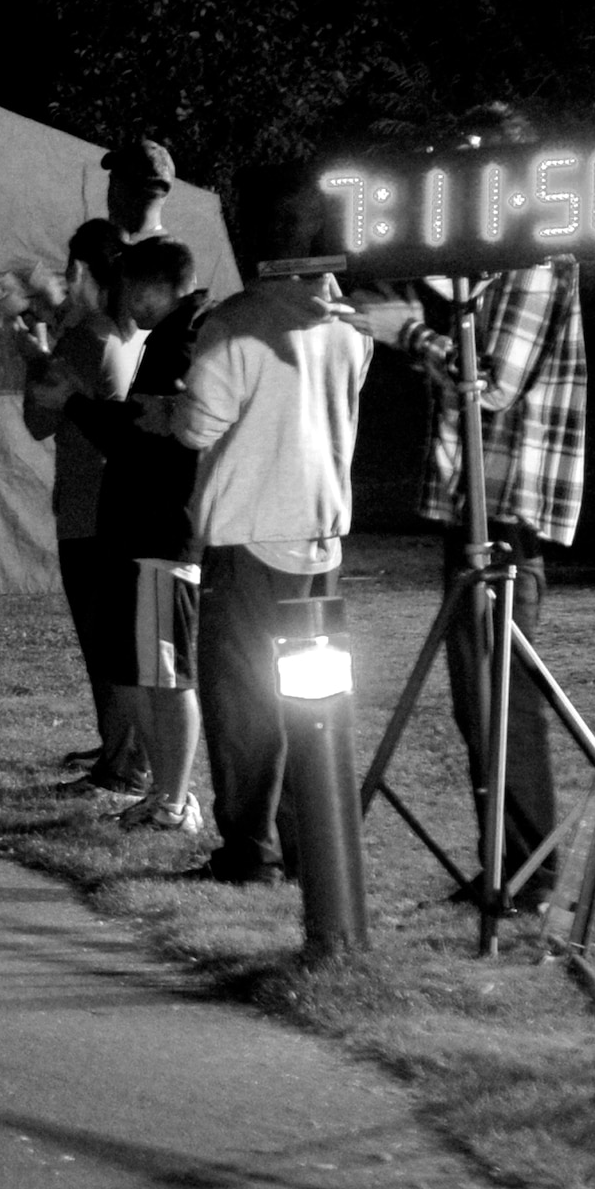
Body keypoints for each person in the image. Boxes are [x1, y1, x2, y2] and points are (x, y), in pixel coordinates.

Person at [350, 104, 585, 910]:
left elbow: (491, 388)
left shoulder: (538, 256)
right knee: (473, 701)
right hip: (472, 508)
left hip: (509, 514)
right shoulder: (480, 266)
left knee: (502, 700)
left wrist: (410, 333)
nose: (452, 179)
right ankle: (505, 867)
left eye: (474, 162)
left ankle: (527, 876)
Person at [165, 190, 372, 884]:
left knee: (243, 702)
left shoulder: (235, 322)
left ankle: (251, 852)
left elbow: (197, 425)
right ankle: (315, 842)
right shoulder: (351, 327)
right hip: (322, 534)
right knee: (312, 704)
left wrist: (171, 407)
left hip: (249, 532)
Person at [32, 238, 207, 835]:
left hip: (160, 529)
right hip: (142, 527)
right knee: (141, 670)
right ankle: (164, 790)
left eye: (132, 288)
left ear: (158, 286)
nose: (126, 301)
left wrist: (75, 402)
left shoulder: (183, 342)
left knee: (164, 672)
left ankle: (176, 800)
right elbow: (142, 430)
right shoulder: (173, 338)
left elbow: (144, 443)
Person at [5, 218, 151, 799]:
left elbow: (39, 420)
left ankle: (123, 769)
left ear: (82, 271)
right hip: (127, 506)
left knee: (106, 646)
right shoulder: (132, 333)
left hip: (89, 509)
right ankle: (121, 752)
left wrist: (34, 358)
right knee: (125, 643)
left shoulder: (84, 340)